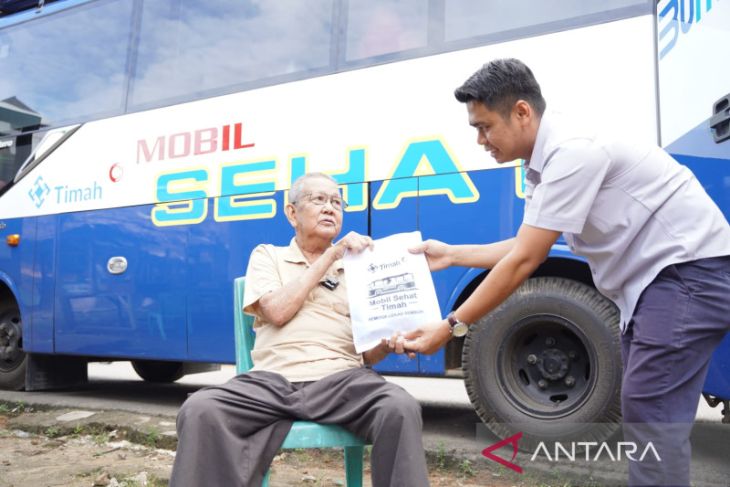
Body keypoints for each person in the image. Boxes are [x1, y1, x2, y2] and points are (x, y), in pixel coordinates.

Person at [403, 58, 730, 487]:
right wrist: (453, 255)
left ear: (522, 112)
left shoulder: (572, 151)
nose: (480, 140)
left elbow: (526, 260)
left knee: (651, 417)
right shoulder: (543, 161)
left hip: (686, 277)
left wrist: (449, 327)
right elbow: (527, 242)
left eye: (484, 127)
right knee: (651, 418)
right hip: (662, 285)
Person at [170, 172, 429, 487]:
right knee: (200, 409)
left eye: (336, 202)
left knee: (399, 407)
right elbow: (277, 311)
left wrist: (387, 344)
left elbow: (367, 356)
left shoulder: (360, 268)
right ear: (292, 213)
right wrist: (331, 256)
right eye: (318, 200)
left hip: (340, 381)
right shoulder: (268, 256)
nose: (330, 209)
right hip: (272, 382)